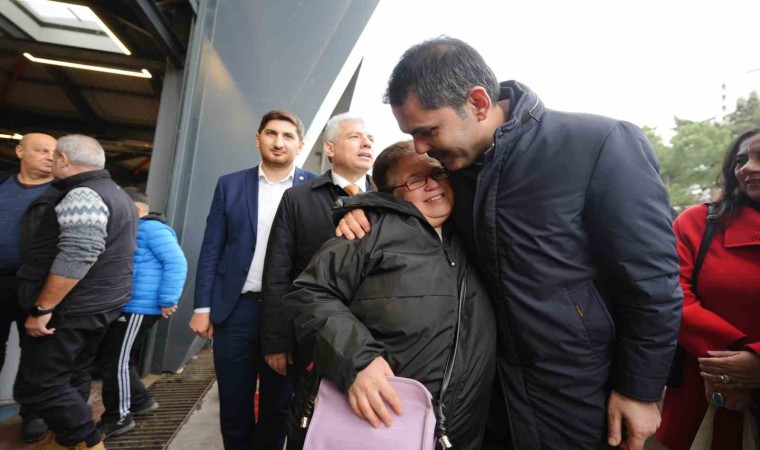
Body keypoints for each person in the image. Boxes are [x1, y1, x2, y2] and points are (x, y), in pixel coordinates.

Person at [337, 37, 682, 450]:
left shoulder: (599, 144)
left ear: (479, 103)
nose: (421, 148)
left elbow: (653, 282)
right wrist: (361, 209)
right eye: (412, 135)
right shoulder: (452, 169)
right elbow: (408, 204)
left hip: (582, 394)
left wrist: (639, 389)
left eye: (427, 131)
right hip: (485, 398)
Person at [286, 141, 496, 449]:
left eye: (437, 173)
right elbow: (309, 293)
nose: (432, 185)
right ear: (392, 194)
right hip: (374, 426)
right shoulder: (366, 232)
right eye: (415, 180)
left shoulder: (471, 233)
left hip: (459, 430)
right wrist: (357, 360)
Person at [189, 110, 317, 450]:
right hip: (236, 311)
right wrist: (202, 306)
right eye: (271, 133)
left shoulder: (316, 188)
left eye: (288, 136)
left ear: (300, 145)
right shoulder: (230, 184)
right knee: (234, 405)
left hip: (286, 315)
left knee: (279, 407)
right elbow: (212, 248)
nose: (278, 142)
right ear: (257, 138)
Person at [13, 134, 138, 450]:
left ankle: (88, 442)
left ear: (64, 160)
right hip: (99, 306)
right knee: (73, 376)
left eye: (54, 155)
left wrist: (42, 308)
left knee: (39, 385)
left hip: (71, 309)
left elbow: (79, 253)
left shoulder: (82, 194)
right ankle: (65, 442)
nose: (51, 161)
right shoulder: (116, 193)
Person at [656, 128, 760, 450]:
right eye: (740, 160)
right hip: (701, 394)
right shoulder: (696, 222)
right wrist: (731, 364)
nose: (748, 167)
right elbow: (670, 293)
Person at [261, 112, 375, 379]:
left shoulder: (388, 199)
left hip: (374, 340)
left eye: (370, 138)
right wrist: (276, 341)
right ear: (330, 148)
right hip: (310, 336)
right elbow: (277, 272)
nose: (367, 143)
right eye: (355, 137)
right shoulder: (297, 198)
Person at [96, 187, 188, 438]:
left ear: (135, 209)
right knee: (115, 358)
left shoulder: (152, 229)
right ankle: (140, 401)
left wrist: (168, 299)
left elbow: (176, 262)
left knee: (115, 360)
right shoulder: (136, 229)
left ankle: (119, 417)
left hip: (139, 307)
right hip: (129, 305)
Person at [0, 132, 57, 443]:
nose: (50, 157)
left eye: (54, 152)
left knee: (35, 352)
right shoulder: (2, 185)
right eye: (42, 151)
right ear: (20, 151)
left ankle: (32, 414)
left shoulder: (61, 193)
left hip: (36, 285)